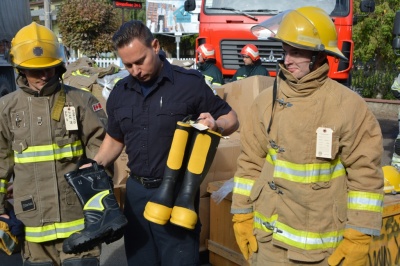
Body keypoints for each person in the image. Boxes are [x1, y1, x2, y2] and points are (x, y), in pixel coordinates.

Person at [231, 7, 384, 266]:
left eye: (297, 52)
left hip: (319, 251)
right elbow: (250, 163)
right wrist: (242, 214)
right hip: (266, 244)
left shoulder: (348, 106)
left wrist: (358, 235)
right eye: (286, 50)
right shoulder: (265, 102)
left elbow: (365, 177)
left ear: (317, 55)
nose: (287, 60)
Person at [91, 20, 239, 266]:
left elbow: (231, 118)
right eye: (128, 65)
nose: (135, 70)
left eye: (140, 61)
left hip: (178, 192)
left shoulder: (189, 83)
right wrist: (94, 165)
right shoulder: (120, 92)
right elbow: (115, 139)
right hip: (136, 194)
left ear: (155, 46)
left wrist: (217, 125)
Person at [0, 22, 111, 265]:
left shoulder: (80, 100)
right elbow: (1, 162)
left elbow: (102, 146)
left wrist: (99, 195)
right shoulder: (6, 109)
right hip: (33, 225)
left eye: (49, 69)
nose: (43, 76)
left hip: (80, 221)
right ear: (20, 69)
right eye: (34, 70)